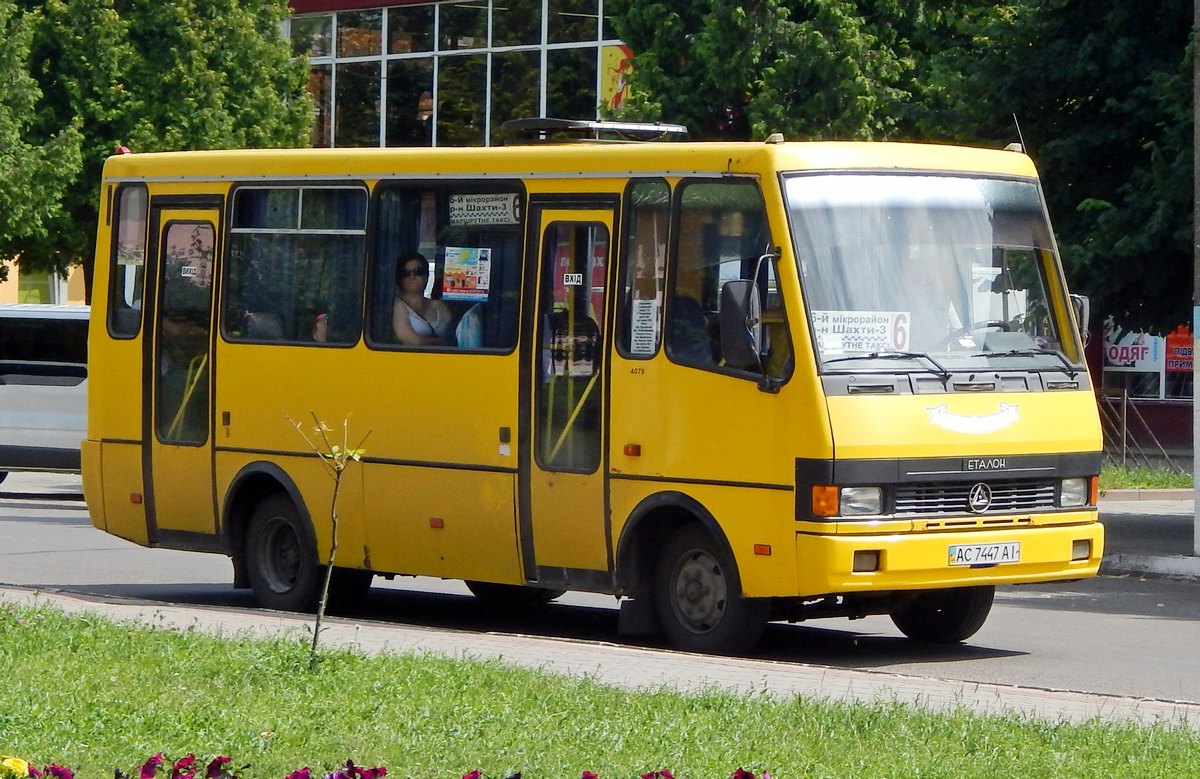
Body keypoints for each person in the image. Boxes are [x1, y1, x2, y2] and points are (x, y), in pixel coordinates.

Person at [392, 251, 454, 346]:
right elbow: (412, 341)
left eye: (418, 272)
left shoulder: (439, 305)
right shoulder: (398, 305)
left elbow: (454, 336)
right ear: (399, 278)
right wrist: (442, 342)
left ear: (427, 275)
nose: (412, 276)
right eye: (406, 273)